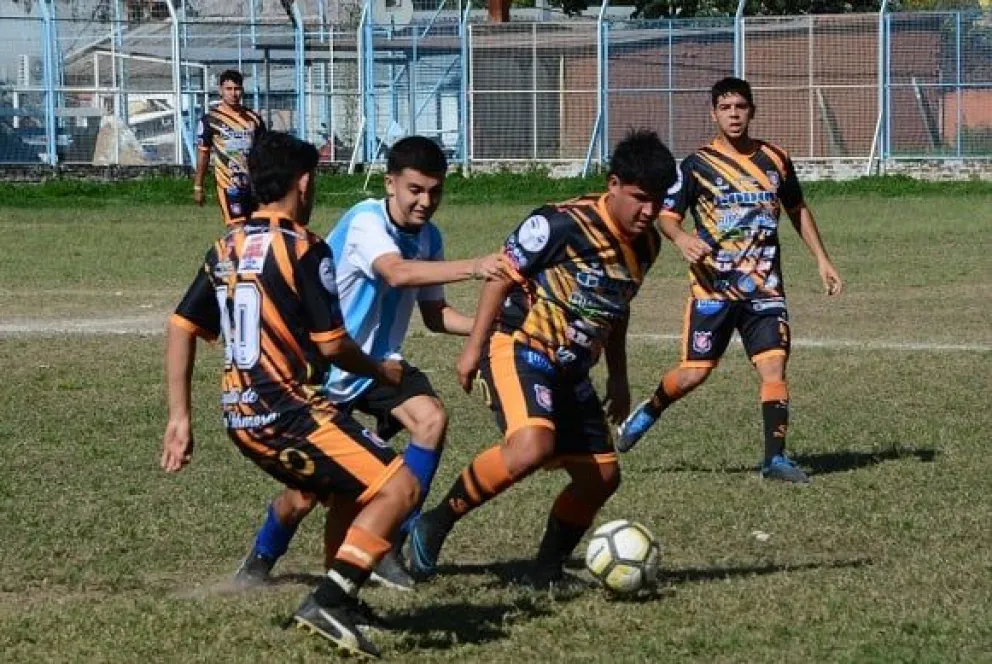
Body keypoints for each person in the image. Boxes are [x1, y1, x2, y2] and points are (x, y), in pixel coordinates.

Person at [161, 131, 417, 658]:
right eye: (314, 180)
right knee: (400, 486)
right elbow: (333, 344)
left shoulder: (225, 247)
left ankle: (341, 598)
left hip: (241, 415)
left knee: (350, 488)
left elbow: (182, 325)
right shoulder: (305, 247)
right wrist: (380, 373)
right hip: (288, 411)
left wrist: (179, 418)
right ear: (303, 183)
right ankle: (329, 598)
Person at [406, 130, 678, 591]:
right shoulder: (559, 223)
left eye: (656, 201)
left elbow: (617, 305)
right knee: (531, 446)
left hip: (572, 368)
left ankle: (546, 570)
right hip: (518, 345)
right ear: (613, 184)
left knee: (602, 478)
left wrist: (618, 374)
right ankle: (433, 524)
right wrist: (473, 348)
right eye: (639, 198)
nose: (648, 212)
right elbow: (499, 278)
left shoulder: (647, 245)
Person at [234, 136, 509, 591]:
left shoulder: (429, 238)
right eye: (415, 190)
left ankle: (388, 542)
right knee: (306, 495)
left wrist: (495, 328)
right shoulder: (366, 220)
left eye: (435, 191)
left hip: (378, 368)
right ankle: (261, 559)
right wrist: (475, 265)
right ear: (390, 184)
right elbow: (396, 272)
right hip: (328, 369)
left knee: (431, 418)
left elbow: (436, 316)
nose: (425, 202)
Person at [615, 77, 844, 485]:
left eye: (741, 106)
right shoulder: (696, 165)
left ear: (752, 111)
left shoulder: (775, 159)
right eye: (726, 108)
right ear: (713, 113)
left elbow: (797, 209)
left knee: (774, 369)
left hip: (764, 289)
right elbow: (668, 215)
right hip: (713, 290)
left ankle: (774, 459)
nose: (734, 114)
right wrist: (682, 238)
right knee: (693, 374)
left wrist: (823, 260)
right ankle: (650, 409)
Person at [193, 69, 266, 225]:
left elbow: (264, 151)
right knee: (238, 229)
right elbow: (203, 154)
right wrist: (198, 186)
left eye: (237, 89)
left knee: (258, 229)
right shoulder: (210, 120)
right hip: (229, 185)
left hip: (253, 185)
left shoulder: (254, 119)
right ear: (221, 90)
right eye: (229, 89)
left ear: (242, 90)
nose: (233, 94)